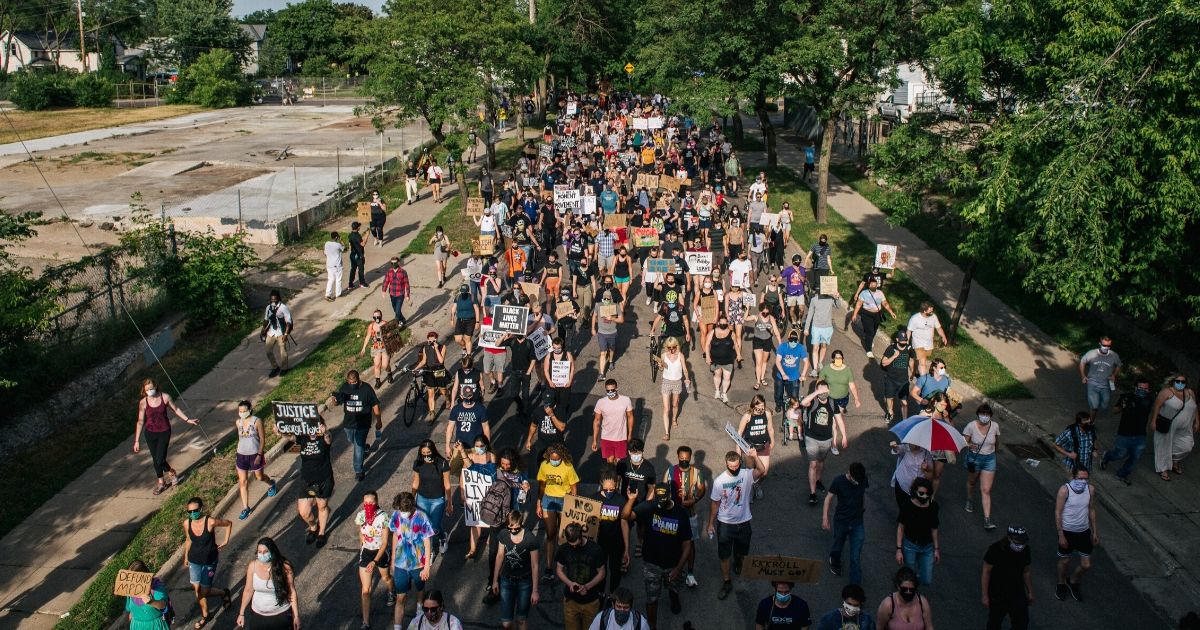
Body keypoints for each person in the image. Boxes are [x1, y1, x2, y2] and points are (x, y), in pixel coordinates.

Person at [622, 486, 693, 630]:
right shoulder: (650, 507)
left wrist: (679, 568)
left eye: (663, 500)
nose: (660, 504)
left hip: (673, 564)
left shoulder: (681, 513)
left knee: (674, 587)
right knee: (652, 598)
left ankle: (673, 596)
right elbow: (625, 516)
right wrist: (631, 501)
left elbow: (687, 544)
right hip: (652, 564)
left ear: (670, 496)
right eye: (658, 500)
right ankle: (652, 626)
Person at [708, 448, 766, 600]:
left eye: (736, 466)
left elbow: (761, 470)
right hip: (725, 523)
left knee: (742, 551)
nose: (733, 469)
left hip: (744, 522)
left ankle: (739, 562)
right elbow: (715, 503)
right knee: (724, 556)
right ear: (726, 464)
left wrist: (754, 456)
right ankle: (727, 581)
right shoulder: (720, 481)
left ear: (740, 463)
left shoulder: (746, 474)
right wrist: (710, 523)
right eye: (730, 466)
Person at [133, 378, 198, 495]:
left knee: (160, 459)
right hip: (150, 433)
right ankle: (161, 483)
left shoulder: (165, 397)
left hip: (164, 431)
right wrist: (137, 440)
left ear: (156, 386)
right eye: (147, 389)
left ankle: (172, 472)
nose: (149, 391)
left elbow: (176, 409)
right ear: (144, 390)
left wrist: (187, 420)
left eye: (151, 388)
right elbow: (140, 421)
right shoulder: (143, 402)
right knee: (155, 459)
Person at [181, 497, 232, 628]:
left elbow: (228, 523)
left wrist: (226, 541)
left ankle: (223, 593)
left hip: (209, 561)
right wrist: (186, 557)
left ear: (201, 509)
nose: (192, 514)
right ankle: (205, 615)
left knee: (204, 591)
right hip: (194, 560)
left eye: (195, 510)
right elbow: (188, 540)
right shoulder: (187, 523)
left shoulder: (210, 522)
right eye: (189, 511)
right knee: (198, 590)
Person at [283, 415, 333, 547]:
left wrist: (325, 432)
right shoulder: (303, 437)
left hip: (323, 479)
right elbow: (292, 438)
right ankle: (313, 526)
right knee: (304, 512)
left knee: (322, 506)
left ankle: (321, 532)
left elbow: (328, 439)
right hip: (306, 480)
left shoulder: (324, 437)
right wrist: (281, 431)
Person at [390, 492, 436, 629]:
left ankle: (419, 612)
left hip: (418, 564)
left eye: (404, 510)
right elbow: (395, 535)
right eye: (400, 509)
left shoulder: (422, 517)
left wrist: (427, 566)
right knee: (400, 598)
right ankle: (397, 627)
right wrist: (393, 559)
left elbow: (427, 542)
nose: (402, 512)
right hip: (400, 564)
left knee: (420, 590)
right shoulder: (396, 515)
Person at [662, 446, 706, 587]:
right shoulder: (670, 471)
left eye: (687, 459)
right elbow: (663, 489)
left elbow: (701, 489)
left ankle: (690, 574)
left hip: (690, 514)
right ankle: (671, 569)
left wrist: (695, 500)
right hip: (673, 513)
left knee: (690, 543)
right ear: (677, 457)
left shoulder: (697, 472)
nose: (684, 462)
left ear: (690, 457)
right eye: (682, 459)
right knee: (671, 542)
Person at [537, 443, 580, 579]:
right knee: (550, 534)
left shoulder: (568, 467)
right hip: (548, 500)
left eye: (557, 459)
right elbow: (542, 486)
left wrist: (572, 504)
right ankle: (549, 567)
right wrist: (539, 502)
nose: (554, 461)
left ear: (561, 456)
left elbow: (574, 487)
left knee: (563, 535)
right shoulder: (544, 465)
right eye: (552, 458)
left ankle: (564, 564)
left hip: (564, 499)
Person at [1055, 466, 1098, 602]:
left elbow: (1091, 510)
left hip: (1084, 531)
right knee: (1065, 560)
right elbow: (1058, 512)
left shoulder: (1090, 490)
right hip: (1068, 531)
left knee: (1086, 564)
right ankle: (1061, 584)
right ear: (1073, 477)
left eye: (1086, 479)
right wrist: (1061, 534)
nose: (1083, 481)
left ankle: (1072, 581)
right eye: (1080, 478)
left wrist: (1095, 531)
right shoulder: (1064, 490)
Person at [492, 511, 541, 630]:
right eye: (510, 528)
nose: (513, 531)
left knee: (521, 619)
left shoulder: (530, 538)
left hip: (525, 582)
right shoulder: (503, 534)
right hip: (506, 581)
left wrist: (535, 590)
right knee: (506, 623)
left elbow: (535, 565)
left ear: (521, 523)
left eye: (516, 528)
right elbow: (499, 556)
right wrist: (495, 580)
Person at [802, 382, 847, 505]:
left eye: (825, 390)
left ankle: (818, 481)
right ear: (816, 391)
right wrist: (816, 393)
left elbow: (839, 420)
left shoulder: (832, 403)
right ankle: (812, 493)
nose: (823, 393)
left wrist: (844, 436)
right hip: (811, 437)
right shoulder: (813, 401)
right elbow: (803, 403)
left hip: (826, 439)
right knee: (813, 464)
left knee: (821, 462)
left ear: (829, 390)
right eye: (820, 391)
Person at [1101, 379, 1154, 484]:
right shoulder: (1126, 397)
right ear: (1135, 388)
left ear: (1148, 389)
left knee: (1135, 457)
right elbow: (1115, 410)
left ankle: (1123, 473)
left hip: (1140, 435)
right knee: (1120, 454)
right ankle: (1107, 456)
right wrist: (1122, 406)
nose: (1143, 390)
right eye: (1140, 388)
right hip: (1124, 433)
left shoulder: (1150, 399)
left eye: (1145, 388)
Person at [557, 522, 608, 630]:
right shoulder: (563, 549)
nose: (574, 547)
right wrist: (569, 583)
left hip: (591, 601)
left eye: (576, 543)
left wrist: (587, 587)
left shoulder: (595, 549)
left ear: (581, 536)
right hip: (571, 601)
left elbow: (602, 573)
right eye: (571, 545)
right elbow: (559, 569)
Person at [823, 462, 868, 585]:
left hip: (857, 522)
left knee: (855, 557)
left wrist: (863, 506)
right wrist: (825, 518)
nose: (858, 483)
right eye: (855, 480)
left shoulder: (862, 478)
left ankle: (855, 588)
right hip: (841, 521)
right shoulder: (839, 481)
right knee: (838, 544)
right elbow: (828, 498)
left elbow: (862, 492)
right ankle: (834, 559)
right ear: (849, 473)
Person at [333, 369, 382, 481]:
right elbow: (338, 402)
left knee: (358, 446)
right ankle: (365, 447)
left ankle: (358, 470)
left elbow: (375, 405)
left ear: (358, 380)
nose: (352, 384)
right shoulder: (345, 387)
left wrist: (379, 420)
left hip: (363, 423)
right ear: (347, 381)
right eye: (350, 382)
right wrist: (334, 400)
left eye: (354, 382)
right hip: (348, 423)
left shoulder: (366, 389)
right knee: (351, 440)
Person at [356, 490, 395, 629]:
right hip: (366, 552)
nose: (368, 505)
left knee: (386, 578)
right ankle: (365, 622)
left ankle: (391, 591)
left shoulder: (383, 517)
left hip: (380, 552)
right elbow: (360, 533)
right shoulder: (361, 516)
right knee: (365, 590)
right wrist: (363, 544)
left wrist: (375, 561)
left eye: (371, 502)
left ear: (376, 502)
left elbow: (384, 543)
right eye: (365, 503)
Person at [982, 526, 1033, 630]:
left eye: (1023, 541)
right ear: (1009, 538)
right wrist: (985, 595)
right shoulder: (995, 549)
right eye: (1017, 541)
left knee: (1022, 623)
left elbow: (1026, 572)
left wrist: (1030, 591)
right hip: (998, 594)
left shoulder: (1026, 550)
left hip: (1017, 592)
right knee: (995, 622)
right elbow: (986, 572)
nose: (1020, 544)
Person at [233, 400, 276, 520]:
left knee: (259, 477)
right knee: (243, 482)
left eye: (244, 411)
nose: (242, 413)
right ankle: (246, 508)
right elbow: (241, 438)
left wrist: (259, 455)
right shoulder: (238, 422)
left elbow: (262, 439)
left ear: (250, 409)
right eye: (240, 411)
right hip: (241, 455)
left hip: (255, 455)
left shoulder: (257, 421)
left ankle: (271, 484)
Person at [1151, 374, 1198, 481]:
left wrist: (1197, 422)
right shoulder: (1166, 392)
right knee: (1163, 445)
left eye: (1183, 382)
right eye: (1178, 381)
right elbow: (1157, 407)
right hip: (1167, 424)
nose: (1180, 384)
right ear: (1173, 381)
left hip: (1186, 425)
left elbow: (1195, 407)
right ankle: (1163, 469)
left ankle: (1173, 461)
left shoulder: (1190, 392)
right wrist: (1153, 421)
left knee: (1187, 446)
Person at [895, 477, 940, 587]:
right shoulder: (907, 505)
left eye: (926, 493)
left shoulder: (933, 507)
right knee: (910, 577)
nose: (924, 496)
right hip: (910, 546)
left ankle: (914, 582)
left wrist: (936, 549)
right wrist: (899, 549)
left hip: (927, 547)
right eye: (921, 493)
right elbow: (901, 527)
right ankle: (910, 591)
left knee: (927, 580)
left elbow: (934, 529)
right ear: (915, 491)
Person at [411, 440, 453, 556]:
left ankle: (442, 537)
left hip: (437, 500)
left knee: (434, 528)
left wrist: (449, 503)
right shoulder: (418, 463)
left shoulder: (443, 463)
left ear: (433, 451)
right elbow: (415, 482)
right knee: (425, 528)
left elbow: (447, 484)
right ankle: (430, 552)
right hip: (422, 499)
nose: (426, 456)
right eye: (423, 453)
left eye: (428, 452)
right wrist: (411, 499)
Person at [963, 404, 1001, 531]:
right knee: (972, 481)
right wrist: (969, 445)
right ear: (978, 414)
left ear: (990, 416)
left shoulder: (994, 426)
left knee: (986, 490)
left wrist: (995, 454)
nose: (985, 417)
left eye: (987, 414)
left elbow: (996, 441)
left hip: (989, 459)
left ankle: (987, 520)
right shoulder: (970, 426)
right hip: (974, 459)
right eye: (982, 414)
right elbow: (964, 442)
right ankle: (969, 498)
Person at [653, 336, 691, 440]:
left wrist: (687, 379)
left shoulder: (680, 355)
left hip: (677, 383)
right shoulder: (664, 355)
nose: (671, 350)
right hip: (666, 382)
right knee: (666, 408)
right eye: (669, 347)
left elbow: (685, 369)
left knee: (675, 404)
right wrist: (660, 365)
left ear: (676, 346)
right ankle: (666, 433)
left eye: (673, 347)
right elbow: (661, 369)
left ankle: (674, 419)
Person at [737, 395, 776, 495]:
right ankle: (748, 490)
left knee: (764, 471)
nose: (761, 409)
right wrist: (738, 449)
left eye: (762, 406)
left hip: (763, 446)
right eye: (758, 407)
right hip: (750, 447)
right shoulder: (747, 416)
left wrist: (772, 441)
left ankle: (756, 485)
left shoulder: (767, 414)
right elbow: (740, 433)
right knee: (751, 472)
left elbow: (770, 429)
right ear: (753, 405)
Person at [848, 276, 895, 358]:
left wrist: (891, 312)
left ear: (877, 285)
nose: (874, 286)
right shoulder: (864, 293)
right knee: (870, 331)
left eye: (875, 285)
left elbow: (885, 303)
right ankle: (869, 350)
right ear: (869, 285)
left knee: (874, 329)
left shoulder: (880, 293)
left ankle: (869, 339)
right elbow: (859, 304)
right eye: (872, 285)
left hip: (877, 314)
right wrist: (854, 314)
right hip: (866, 314)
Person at [593, 379, 635, 466]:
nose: (610, 392)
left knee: (619, 462)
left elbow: (630, 416)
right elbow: (597, 421)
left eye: (612, 390)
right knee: (610, 461)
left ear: (617, 388)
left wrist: (629, 434)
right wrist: (594, 440)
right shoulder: (601, 402)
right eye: (608, 391)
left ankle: (618, 478)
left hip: (620, 437)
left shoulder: (625, 400)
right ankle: (612, 478)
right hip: (606, 437)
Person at [1079, 336, 1121, 421]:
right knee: (1094, 406)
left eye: (1108, 346)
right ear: (1100, 344)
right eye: (1104, 345)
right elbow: (1082, 362)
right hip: (1092, 383)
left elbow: (1119, 365)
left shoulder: (1114, 355)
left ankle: (1096, 406)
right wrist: (1083, 376)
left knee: (1105, 404)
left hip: (1106, 385)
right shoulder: (1092, 353)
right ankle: (1091, 422)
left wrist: (1114, 375)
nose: (1106, 347)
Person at [803, 286, 842, 376]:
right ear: (818, 290)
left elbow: (838, 306)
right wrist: (806, 328)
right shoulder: (814, 300)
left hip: (827, 327)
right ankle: (815, 369)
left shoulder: (830, 298)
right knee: (815, 348)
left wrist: (837, 298)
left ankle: (820, 362)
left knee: (824, 346)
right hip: (816, 327)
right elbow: (810, 314)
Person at [879, 332, 916, 424]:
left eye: (905, 340)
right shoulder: (891, 348)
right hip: (891, 379)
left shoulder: (909, 349)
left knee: (904, 402)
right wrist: (894, 356)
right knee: (889, 398)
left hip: (903, 380)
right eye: (902, 341)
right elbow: (884, 363)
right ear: (897, 340)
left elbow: (911, 360)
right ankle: (890, 413)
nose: (904, 342)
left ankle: (904, 421)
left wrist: (912, 371)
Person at [411, 332, 449, 420]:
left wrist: (436, 349)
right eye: (430, 339)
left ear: (436, 339)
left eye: (434, 338)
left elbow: (441, 361)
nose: (432, 340)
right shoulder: (425, 348)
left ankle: (447, 398)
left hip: (439, 370)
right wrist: (415, 368)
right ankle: (432, 413)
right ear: (427, 339)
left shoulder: (442, 347)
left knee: (443, 391)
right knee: (431, 393)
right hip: (429, 371)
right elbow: (423, 361)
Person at [123, 560, 170, 630]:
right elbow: (131, 610)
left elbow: (163, 605)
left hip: (155, 627)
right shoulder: (131, 589)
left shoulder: (156, 587)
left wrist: (151, 602)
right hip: (137, 626)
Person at [905, 303, 947, 376]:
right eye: (930, 311)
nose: (932, 312)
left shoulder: (933, 317)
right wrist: (906, 342)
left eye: (932, 310)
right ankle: (923, 381)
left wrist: (944, 336)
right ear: (924, 311)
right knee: (923, 363)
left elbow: (938, 327)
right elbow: (909, 331)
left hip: (928, 344)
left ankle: (913, 364)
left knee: (919, 359)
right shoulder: (915, 318)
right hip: (918, 343)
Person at [774, 329, 810, 413]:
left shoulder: (800, 348)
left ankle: (793, 411)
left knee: (794, 396)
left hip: (794, 377)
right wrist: (783, 374)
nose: (793, 343)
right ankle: (778, 404)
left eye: (795, 341)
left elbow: (806, 362)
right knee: (779, 393)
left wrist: (803, 375)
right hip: (781, 376)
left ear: (797, 340)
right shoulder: (782, 347)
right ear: (788, 339)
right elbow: (777, 361)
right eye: (791, 340)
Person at [260, 289, 293, 377]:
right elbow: (266, 320)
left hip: (281, 333)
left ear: (278, 298)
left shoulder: (283, 308)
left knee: (282, 351)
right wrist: (263, 330)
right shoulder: (268, 307)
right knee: (268, 351)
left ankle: (284, 368)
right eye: (272, 300)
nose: (273, 301)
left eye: (275, 299)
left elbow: (288, 322)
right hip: (271, 332)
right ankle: (275, 367)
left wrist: (286, 334)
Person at [705, 315, 738, 402]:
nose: (723, 324)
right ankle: (717, 391)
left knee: (727, 377)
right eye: (721, 323)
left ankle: (724, 393)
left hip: (728, 360)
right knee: (717, 375)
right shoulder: (712, 332)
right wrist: (708, 357)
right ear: (718, 323)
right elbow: (707, 344)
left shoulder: (731, 333)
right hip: (716, 360)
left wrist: (738, 355)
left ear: (727, 323)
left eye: (725, 323)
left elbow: (736, 345)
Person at [360, 310, 394, 388]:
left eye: (378, 316)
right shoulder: (371, 326)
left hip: (385, 347)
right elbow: (368, 336)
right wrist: (364, 347)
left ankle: (389, 373)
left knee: (385, 365)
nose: (376, 318)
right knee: (377, 364)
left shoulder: (385, 324)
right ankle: (378, 381)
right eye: (374, 317)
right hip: (375, 348)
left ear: (381, 316)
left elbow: (392, 335)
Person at [382, 257, 411, 328]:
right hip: (392, 294)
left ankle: (398, 323)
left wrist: (407, 295)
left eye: (395, 263)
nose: (393, 264)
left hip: (400, 294)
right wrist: (383, 291)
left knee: (397, 311)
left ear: (398, 263)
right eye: (392, 263)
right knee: (395, 309)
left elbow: (406, 283)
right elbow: (386, 281)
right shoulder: (389, 272)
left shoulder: (403, 272)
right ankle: (403, 319)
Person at [453, 283, 481, 356]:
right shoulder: (457, 297)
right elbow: (453, 308)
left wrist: (477, 322)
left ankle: (469, 355)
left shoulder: (472, 297)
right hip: (460, 320)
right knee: (457, 339)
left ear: (468, 291)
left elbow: (476, 309)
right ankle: (464, 347)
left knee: (467, 339)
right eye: (462, 292)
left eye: (464, 292)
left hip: (470, 321)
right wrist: (452, 319)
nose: (463, 293)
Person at [324, 231, 345, 301]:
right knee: (338, 279)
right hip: (337, 265)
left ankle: (328, 294)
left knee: (330, 279)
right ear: (336, 237)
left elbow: (325, 253)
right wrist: (341, 240)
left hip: (329, 265)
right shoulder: (338, 245)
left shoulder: (326, 243)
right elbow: (344, 248)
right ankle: (338, 293)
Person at [348, 221, 368, 290]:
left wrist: (363, 234)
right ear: (358, 228)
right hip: (359, 255)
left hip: (352, 255)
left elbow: (352, 244)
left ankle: (350, 284)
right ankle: (362, 283)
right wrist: (367, 235)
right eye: (359, 226)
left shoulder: (350, 235)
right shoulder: (357, 236)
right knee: (361, 270)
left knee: (353, 269)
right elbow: (363, 244)